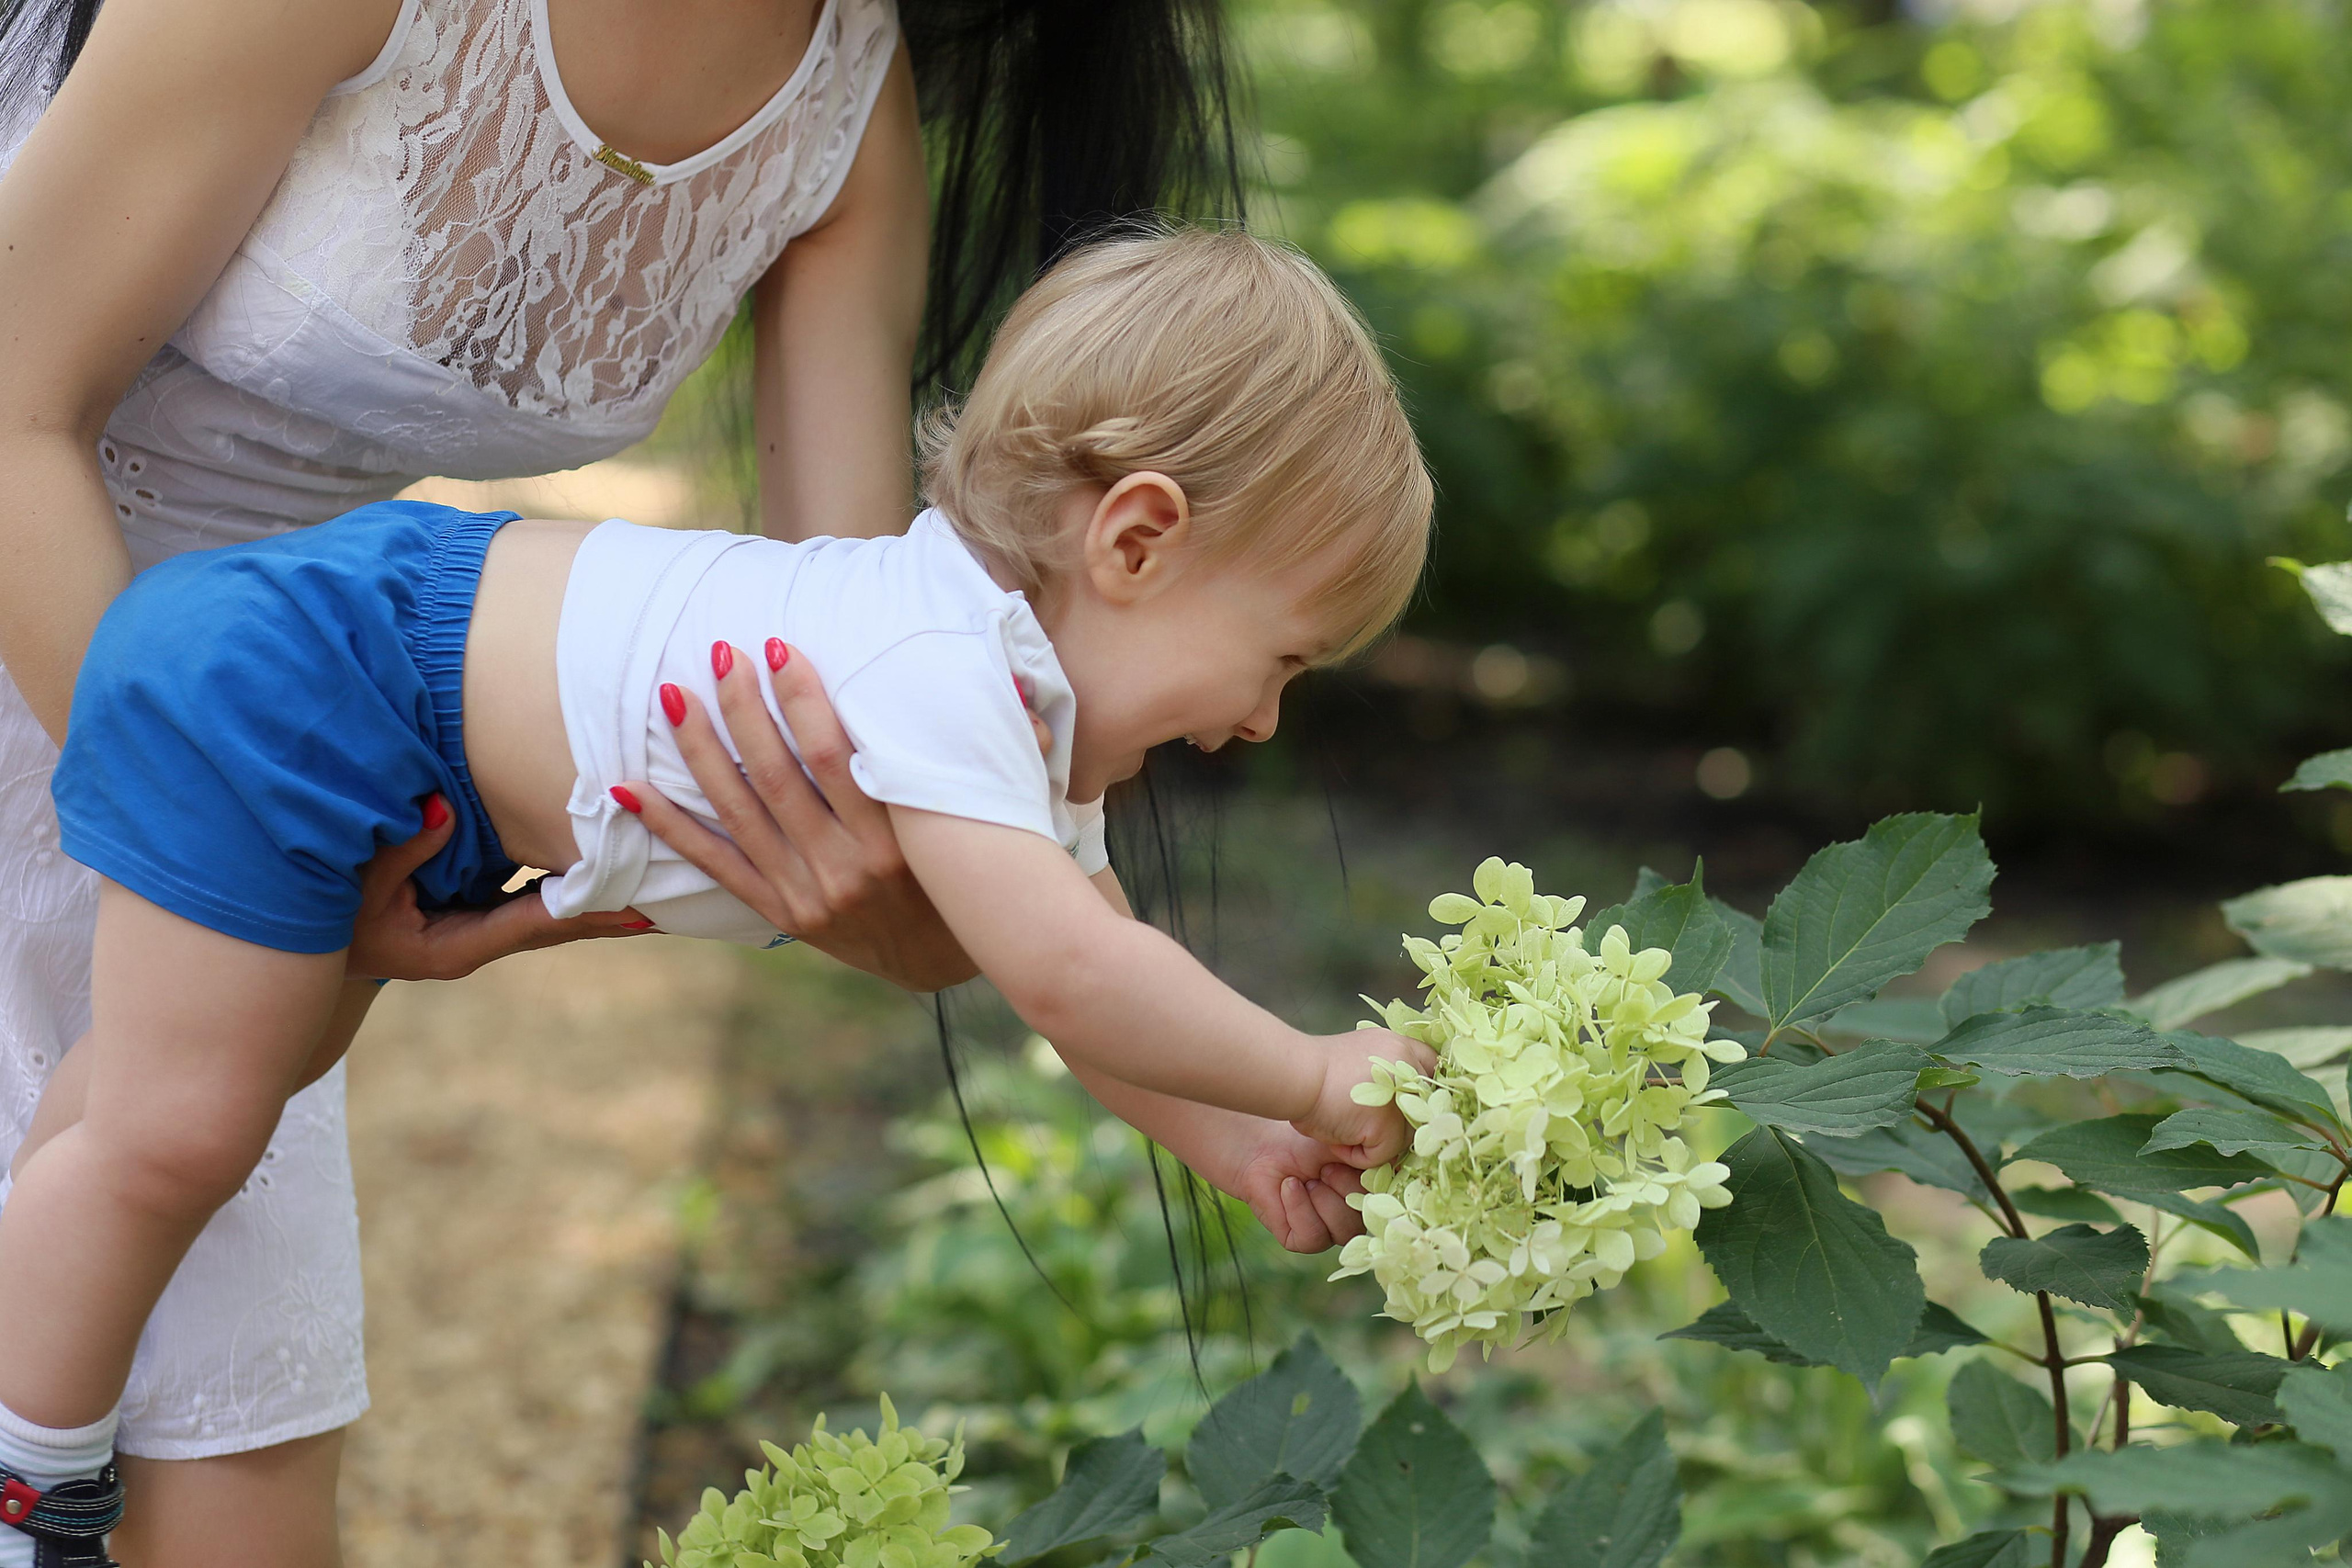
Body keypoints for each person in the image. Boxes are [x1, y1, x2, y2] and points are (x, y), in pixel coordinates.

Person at [0, 0, 1261, 1556]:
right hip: (125, 675)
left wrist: (964, 918)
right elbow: (7, 406)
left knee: (233, 1482)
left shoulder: (839, 102)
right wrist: (252, 867)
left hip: (284, 724)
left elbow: (832, 708)